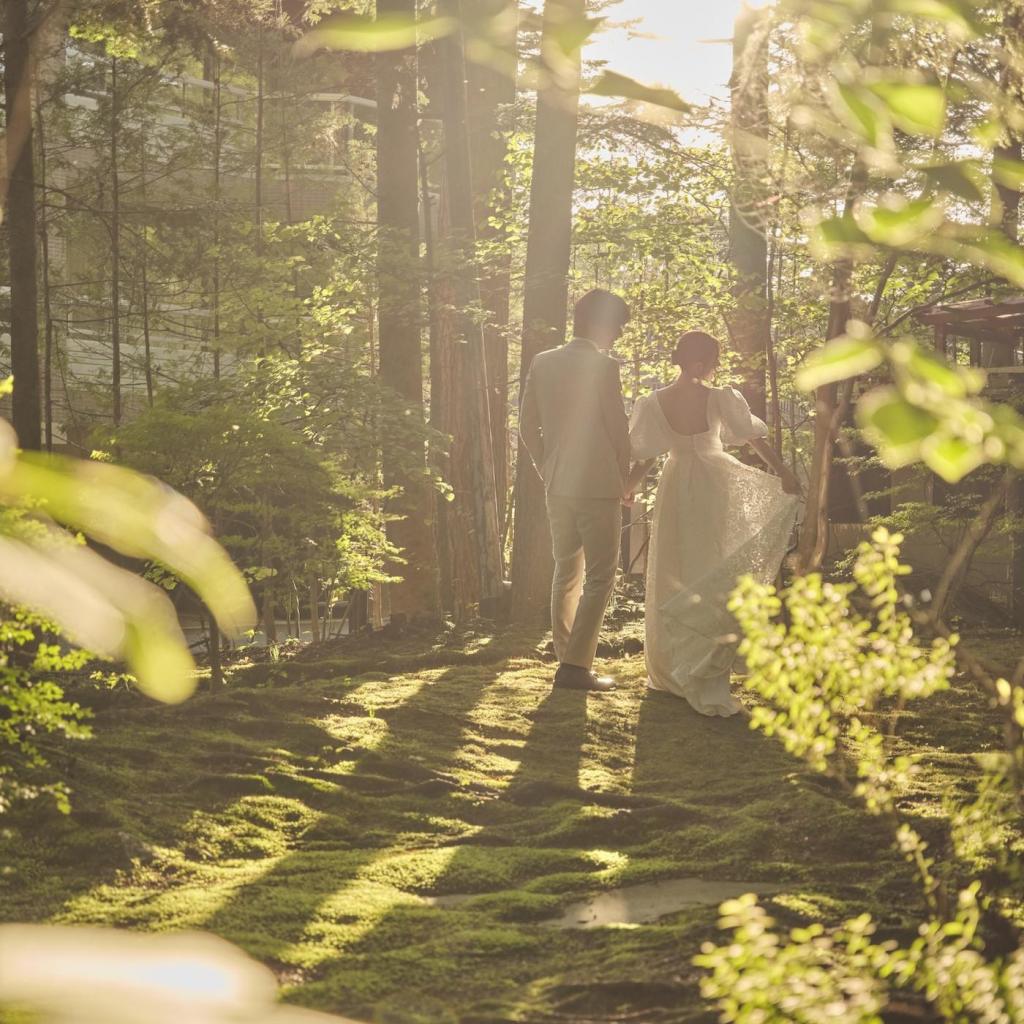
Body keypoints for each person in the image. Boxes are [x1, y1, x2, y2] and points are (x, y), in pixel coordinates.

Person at [625, 331, 801, 717]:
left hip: (676, 483)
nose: (715, 368)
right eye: (713, 361)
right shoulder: (719, 398)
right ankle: (699, 668)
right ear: (701, 362)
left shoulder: (653, 402)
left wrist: (630, 486)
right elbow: (752, 439)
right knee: (711, 563)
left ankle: (677, 667)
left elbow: (648, 456)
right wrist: (783, 471)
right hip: (711, 482)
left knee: (676, 566)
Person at [520, 289, 632, 692]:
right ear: (598, 322)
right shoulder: (604, 366)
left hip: (558, 484)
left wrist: (547, 466)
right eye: (617, 324)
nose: (619, 333)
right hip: (599, 484)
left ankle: (567, 660)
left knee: (566, 571)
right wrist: (624, 479)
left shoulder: (542, 362)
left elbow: (526, 425)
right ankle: (575, 667)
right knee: (601, 576)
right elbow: (618, 429)